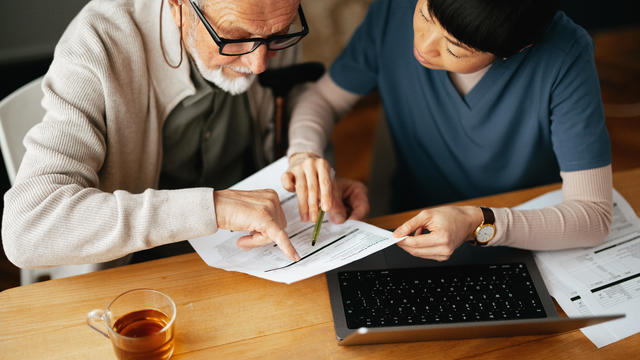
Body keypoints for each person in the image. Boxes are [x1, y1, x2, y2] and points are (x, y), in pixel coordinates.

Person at [1, 0, 366, 270]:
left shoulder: (264, 24)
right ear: (178, 7)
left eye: (278, 36)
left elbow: (295, 94)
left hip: (252, 256)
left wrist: (305, 164)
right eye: (234, 38)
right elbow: (27, 227)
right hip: (136, 275)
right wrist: (214, 207)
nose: (260, 64)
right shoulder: (100, 44)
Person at [283, 0, 613, 261]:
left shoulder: (563, 53)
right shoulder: (395, 8)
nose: (424, 47)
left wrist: (478, 223)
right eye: (425, 15)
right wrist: (304, 152)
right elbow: (323, 98)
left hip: (527, 236)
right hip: (412, 230)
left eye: (454, 48)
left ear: (517, 49)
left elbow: (593, 217)